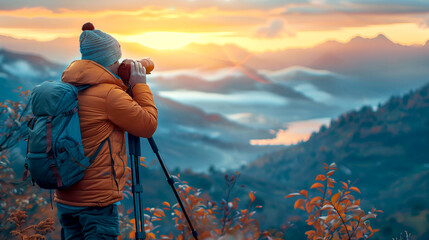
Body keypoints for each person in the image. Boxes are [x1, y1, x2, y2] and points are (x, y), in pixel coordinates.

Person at [54, 22, 158, 239]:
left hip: (65, 198)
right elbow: (147, 126)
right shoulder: (109, 95)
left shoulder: (68, 86)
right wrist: (139, 85)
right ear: (109, 61)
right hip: (96, 203)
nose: (119, 64)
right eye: (117, 60)